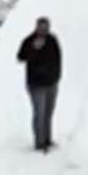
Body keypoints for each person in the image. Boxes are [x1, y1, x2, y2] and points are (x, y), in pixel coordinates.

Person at [17, 17, 62, 152]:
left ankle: (47, 138)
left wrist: (57, 76)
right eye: (40, 27)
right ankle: (39, 142)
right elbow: (21, 57)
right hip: (36, 84)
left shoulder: (52, 41)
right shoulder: (29, 41)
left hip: (51, 83)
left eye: (45, 27)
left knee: (48, 112)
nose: (43, 30)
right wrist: (33, 49)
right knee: (39, 112)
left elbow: (58, 59)